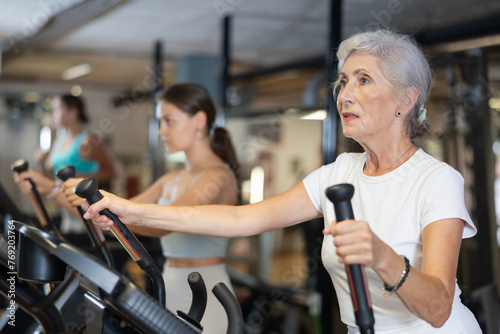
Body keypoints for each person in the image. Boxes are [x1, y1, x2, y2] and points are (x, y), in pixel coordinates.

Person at [79, 30, 481, 333]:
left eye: (363, 80)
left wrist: (383, 257)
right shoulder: (339, 172)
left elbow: (439, 306)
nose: (344, 94)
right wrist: (130, 211)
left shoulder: (437, 180)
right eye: (343, 81)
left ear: (405, 100)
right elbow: (241, 220)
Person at [66, 83, 241, 334]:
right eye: (160, 122)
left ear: (199, 120)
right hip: (168, 283)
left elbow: (163, 225)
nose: (161, 131)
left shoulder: (217, 176)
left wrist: (106, 210)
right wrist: (57, 189)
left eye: (169, 121)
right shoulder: (172, 178)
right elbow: (126, 208)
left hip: (206, 290)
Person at [14, 94, 117, 234]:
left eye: (56, 109)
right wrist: (40, 161)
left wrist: (76, 181)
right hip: (65, 207)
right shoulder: (59, 139)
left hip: (86, 208)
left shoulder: (88, 140)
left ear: (72, 112)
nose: (52, 114)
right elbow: (50, 177)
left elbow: (112, 172)